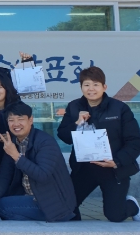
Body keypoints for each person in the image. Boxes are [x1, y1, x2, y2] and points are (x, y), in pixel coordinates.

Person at [57, 66, 140, 222]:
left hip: (113, 169)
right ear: (81, 87)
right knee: (65, 209)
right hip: (84, 169)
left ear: (104, 87)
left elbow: (135, 140)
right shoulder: (74, 107)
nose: (91, 89)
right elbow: (63, 135)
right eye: (87, 85)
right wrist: (77, 123)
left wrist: (117, 161)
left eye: (96, 84)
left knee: (115, 216)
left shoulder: (119, 108)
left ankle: (131, 205)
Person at [0, 102, 76, 222]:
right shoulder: (14, 142)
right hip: (28, 194)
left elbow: (42, 175)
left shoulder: (45, 142)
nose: (16, 124)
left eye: (20, 119)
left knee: (2, 206)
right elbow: (4, 175)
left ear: (30, 120)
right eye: (11, 120)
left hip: (50, 202)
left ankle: (39, 220)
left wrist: (16, 155)